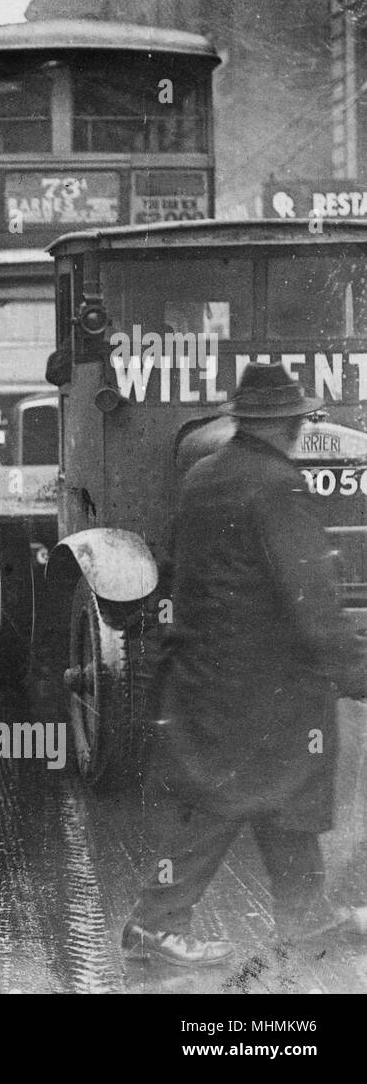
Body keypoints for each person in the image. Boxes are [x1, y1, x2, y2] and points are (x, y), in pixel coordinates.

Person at [123, 362, 367, 966]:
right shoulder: (279, 485)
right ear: (290, 423)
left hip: (212, 670)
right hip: (265, 682)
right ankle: (154, 927)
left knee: (280, 796)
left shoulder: (205, 474)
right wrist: (357, 671)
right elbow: (312, 597)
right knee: (231, 799)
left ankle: (307, 916)